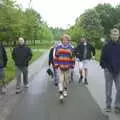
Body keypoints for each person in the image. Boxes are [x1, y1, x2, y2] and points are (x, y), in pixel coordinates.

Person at [100, 28, 120, 113]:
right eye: (113, 34)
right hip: (108, 71)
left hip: (118, 71)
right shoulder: (106, 46)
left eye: (116, 34)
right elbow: (102, 59)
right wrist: (106, 67)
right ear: (110, 35)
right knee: (108, 89)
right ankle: (108, 105)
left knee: (119, 89)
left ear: (119, 35)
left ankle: (117, 105)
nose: (115, 36)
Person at [54, 34, 74, 101]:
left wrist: (72, 66)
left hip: (68, 67)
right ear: (61, 40)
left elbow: (73, 58)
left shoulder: (71, 48)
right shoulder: (58, 47)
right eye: (63, 40)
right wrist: (56, 65)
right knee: (60, 80)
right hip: (60, 67)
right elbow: (55, 57)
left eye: (66, 40)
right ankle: (61, 94)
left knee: (66, 81)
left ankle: (65, 90)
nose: (65, 41)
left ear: (68, 41)